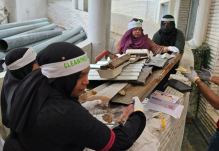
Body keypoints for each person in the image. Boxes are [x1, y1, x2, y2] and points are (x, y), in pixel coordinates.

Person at [4, 42, 146, 151]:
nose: (87, 81)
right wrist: (138, 115)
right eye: (79, 76)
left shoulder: (33, 81)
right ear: (63, 77)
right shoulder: (66, 112)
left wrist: (81, 107)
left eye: (87, 73)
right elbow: (118, 142)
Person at [1, 47, 39, 127]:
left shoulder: (11, 76)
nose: (39, 65)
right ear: (26, 68)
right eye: (36, 62)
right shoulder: (24, 93)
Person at [115, 18, 180, 55]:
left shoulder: (146, 40)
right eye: (135, 29)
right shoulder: (124, 40)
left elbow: (156, 48)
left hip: (143, 65)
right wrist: (117, 56)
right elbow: (117, 54)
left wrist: (168, 48)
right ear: (130, 31)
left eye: (139, 29)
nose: (138, 31)